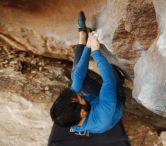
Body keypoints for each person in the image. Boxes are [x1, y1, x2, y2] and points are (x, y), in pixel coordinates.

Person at [48, 11, 130, 146]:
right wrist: (96, 52)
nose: (79, 93)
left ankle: (82, 34)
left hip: (96, 102)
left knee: (76, 76)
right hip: (115, 101)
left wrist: (87, 47)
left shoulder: (72, 115)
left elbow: (78, 77)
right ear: (83, 113)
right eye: (79, 97)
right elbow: (108, 81)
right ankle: (120, 82)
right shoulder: (102, 116)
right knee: (111, 75)